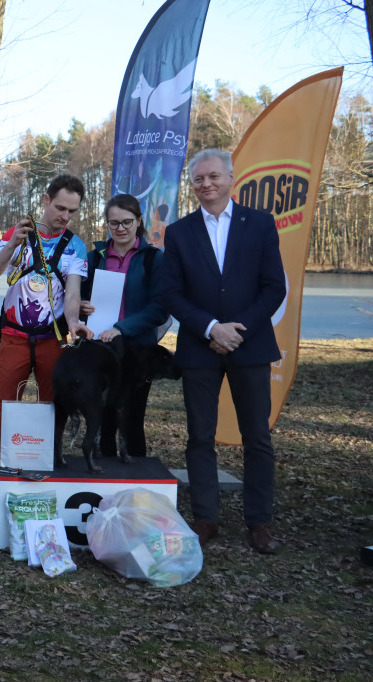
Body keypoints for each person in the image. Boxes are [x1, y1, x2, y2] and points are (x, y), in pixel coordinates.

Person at [161, 148, 286, 554]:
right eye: (199, 179)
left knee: (257, 437)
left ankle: (259, 522)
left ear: (231, 178)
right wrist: (212, 328)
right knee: (200, 437)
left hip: (250, 347)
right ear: (193, 184)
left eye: (214, 176)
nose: (206, 184)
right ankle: (206, 518)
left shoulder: (261, 224)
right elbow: (172, 294)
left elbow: (273, 288)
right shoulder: (179, 233)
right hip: (199, 347)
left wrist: (236, 331)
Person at [0, 173, 93, 482]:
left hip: (52, 341)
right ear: (46, 201)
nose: (65, 217)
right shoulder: (19, 233)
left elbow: (72, 293)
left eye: (72, 211)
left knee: (51, 408)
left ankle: (44, 478)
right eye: (60, 208)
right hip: (15, 338)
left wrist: (74, 324)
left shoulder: (76, 247)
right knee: (4, 408)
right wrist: (11, 245)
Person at [80, 193, 169, 458]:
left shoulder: (154, 258)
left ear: (139, 221)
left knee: (131, 418)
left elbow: (160, 309)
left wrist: (122, 327)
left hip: (136, 350)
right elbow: (78, 294)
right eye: (114, 223)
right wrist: (82, 305)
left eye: (127, 222)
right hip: (100, 349)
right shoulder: (95, 257)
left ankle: (137, 485)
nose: (120, 228)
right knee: (102, 417)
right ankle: (103, 480)